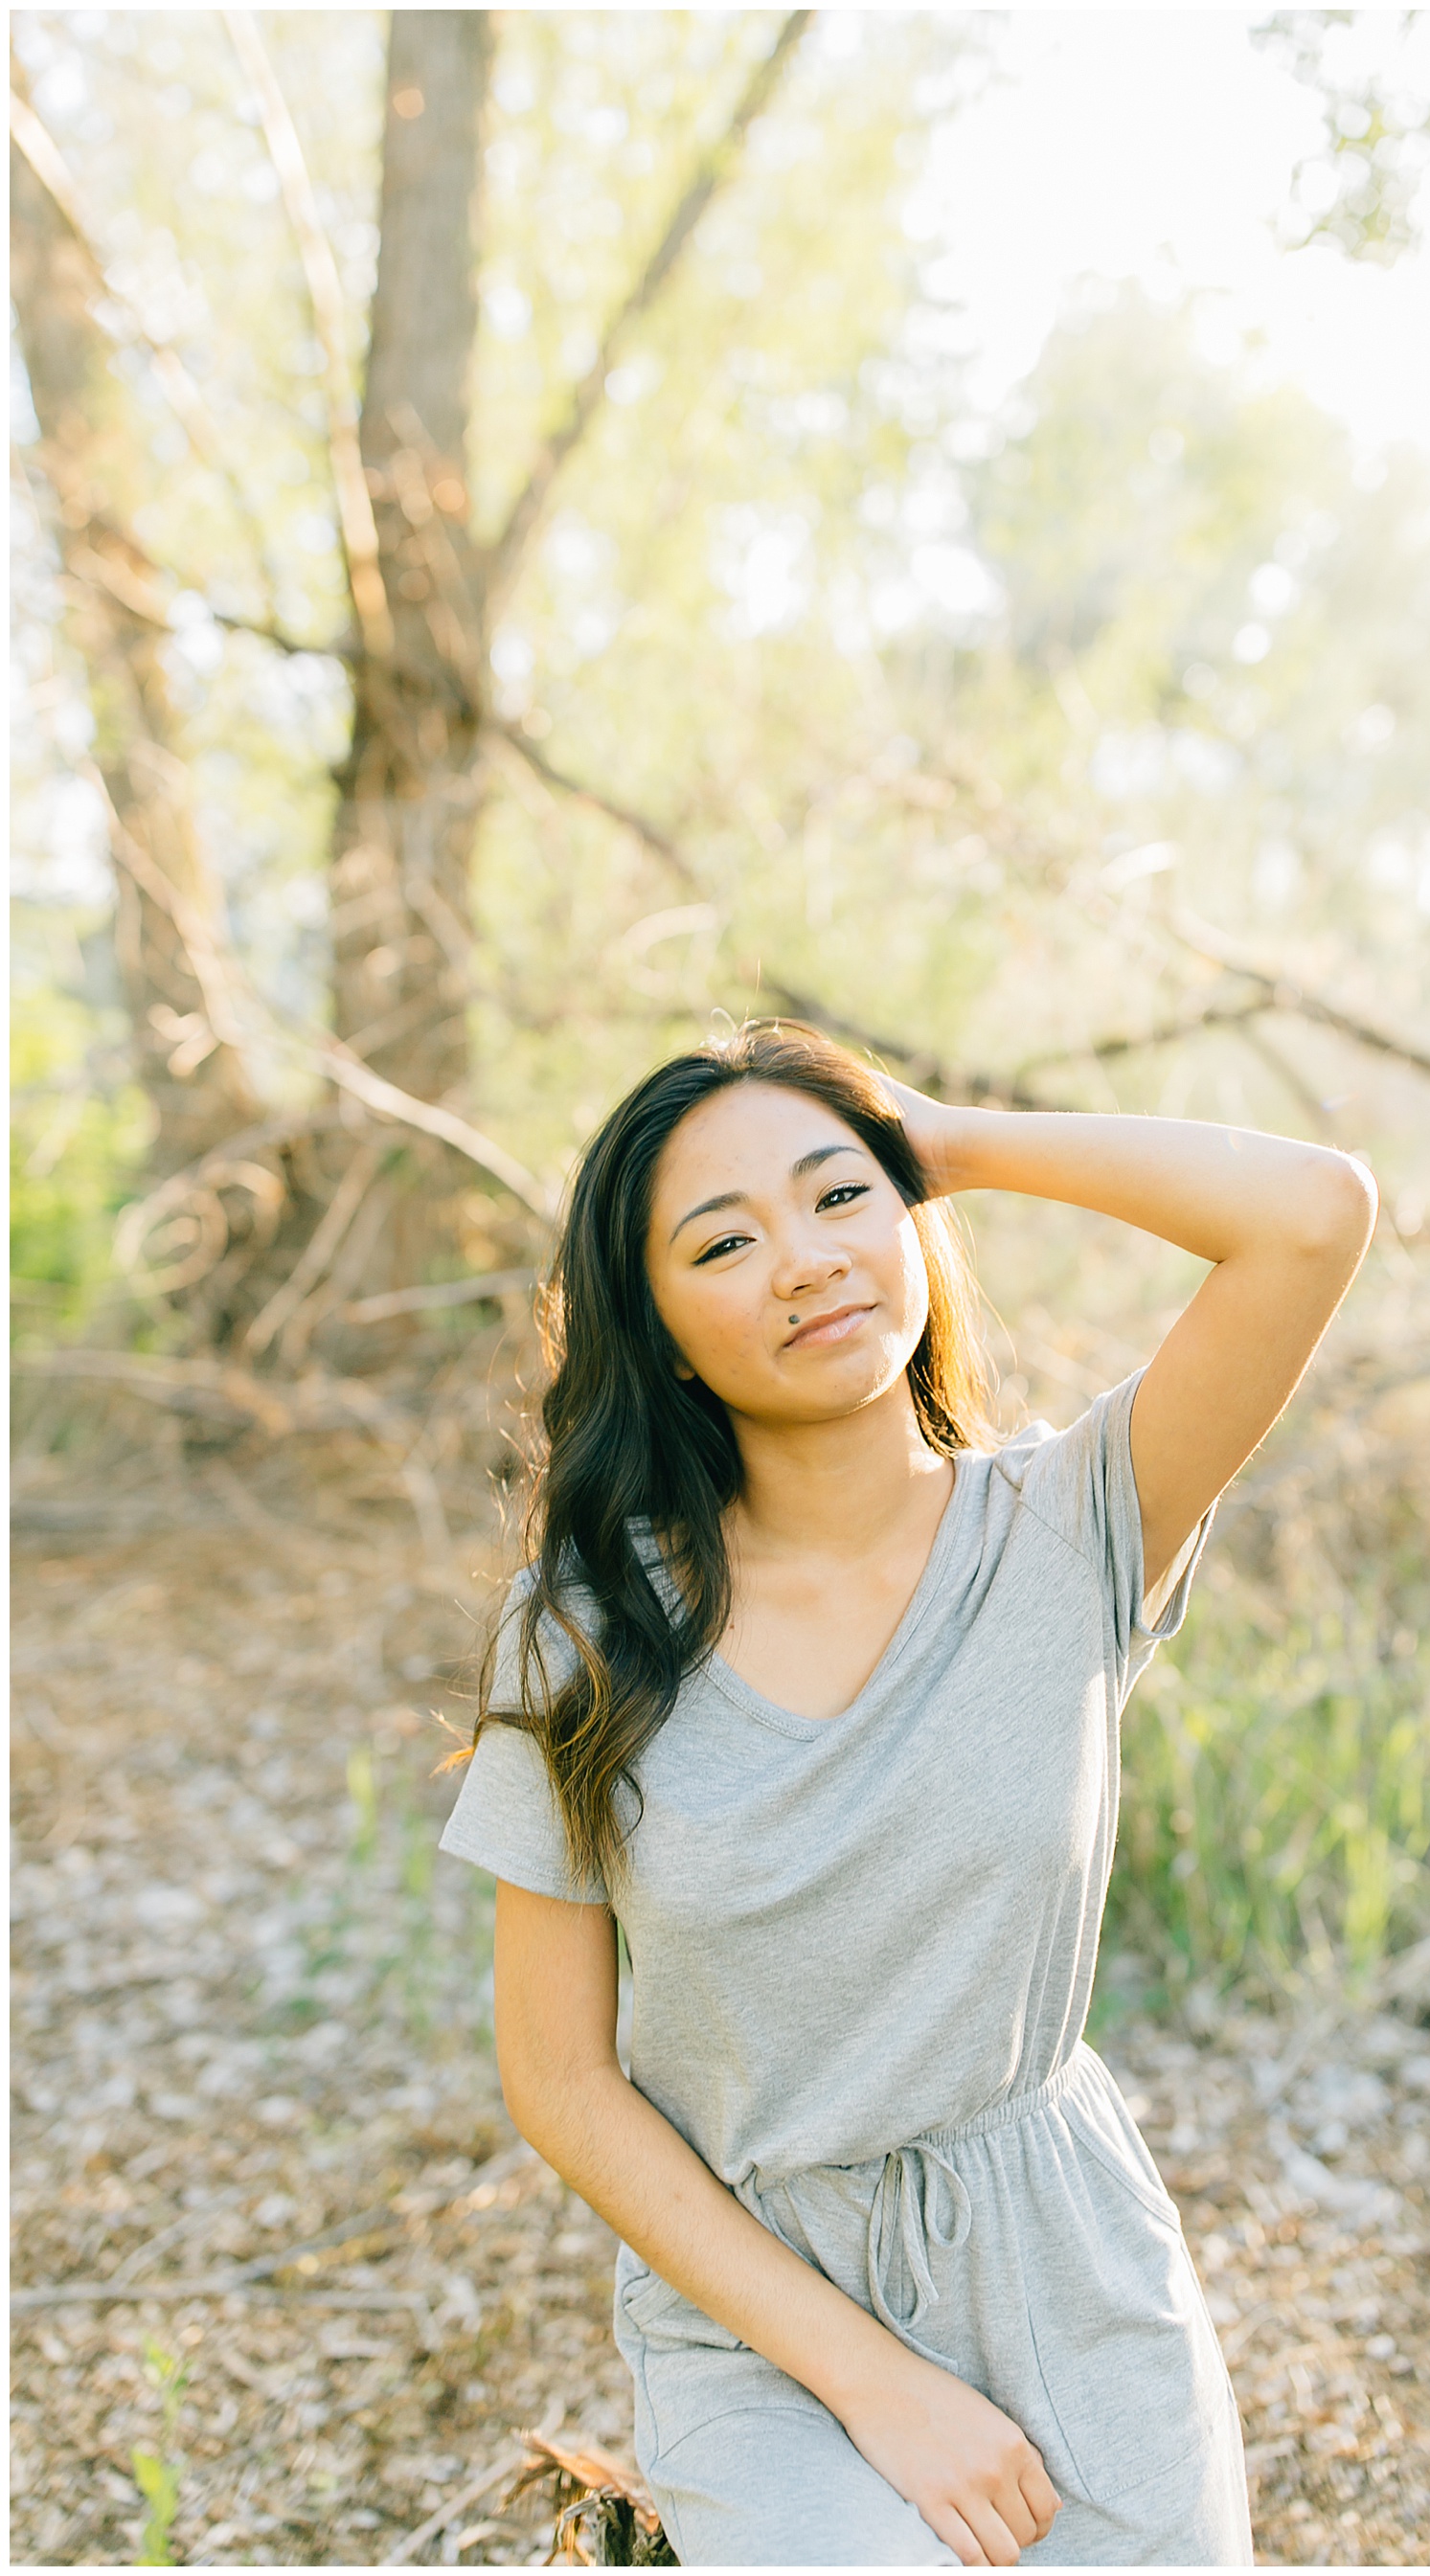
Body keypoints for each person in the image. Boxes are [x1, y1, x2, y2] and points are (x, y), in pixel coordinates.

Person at [439, 1019, 1375, 2567]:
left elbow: (1313, 1214)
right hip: (760, 2312)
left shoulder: (1076, 1524)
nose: (805, 1260)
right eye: (725, 1241)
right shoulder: (588, 1628)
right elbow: (560, 2077)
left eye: (839, 1198)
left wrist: (938, 1135)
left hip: (1070, 2270)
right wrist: (873, 2381)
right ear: (662, 1332)